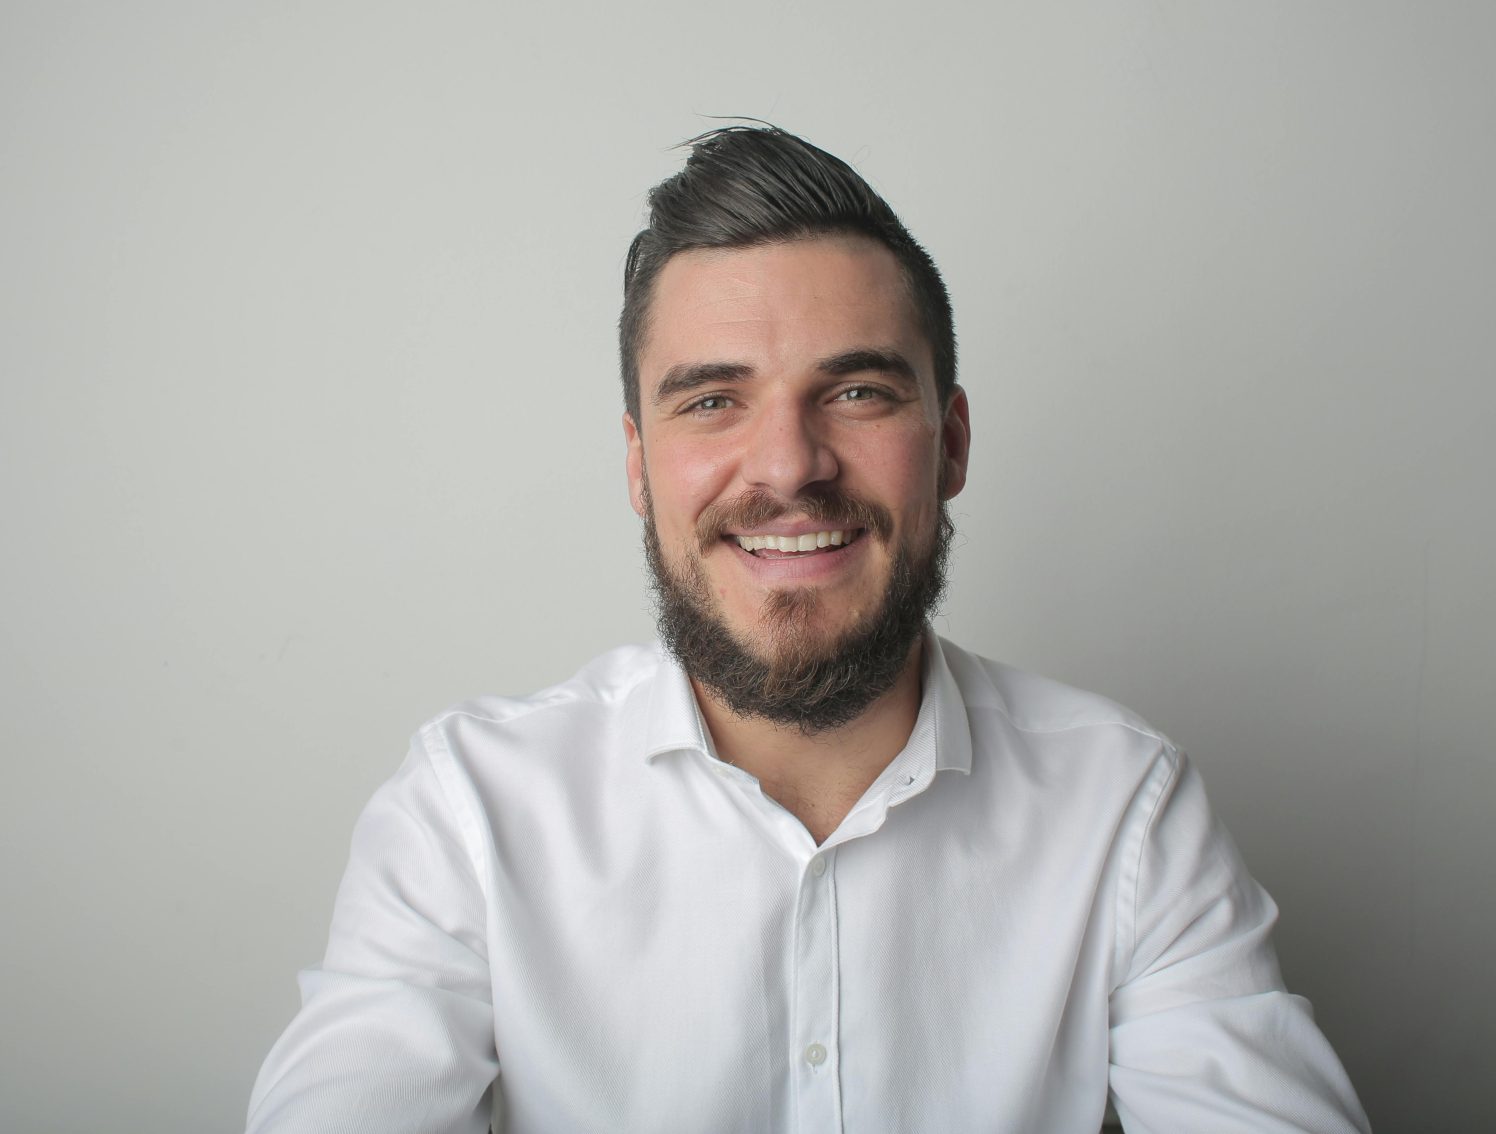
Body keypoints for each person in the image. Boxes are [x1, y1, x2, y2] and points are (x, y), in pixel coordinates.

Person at [247, 126, 1369, 1133]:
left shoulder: (1125, 809)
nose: (789, 467)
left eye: (858, 393)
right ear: (639, 465)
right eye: (711, 401)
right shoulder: (469, 812)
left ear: (953, 442)